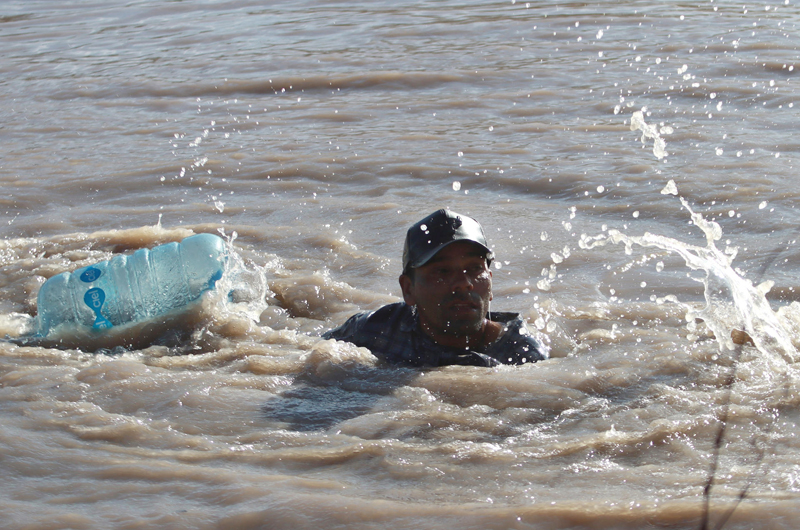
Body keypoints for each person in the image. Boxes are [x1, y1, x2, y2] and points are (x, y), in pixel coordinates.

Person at [322, 209, 549, 367]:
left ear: (490, 282)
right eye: (443, 271)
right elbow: (309, 352)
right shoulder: (376, 329)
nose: (464, 282)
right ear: (408, 289)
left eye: (474, 268)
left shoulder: (520, 355)